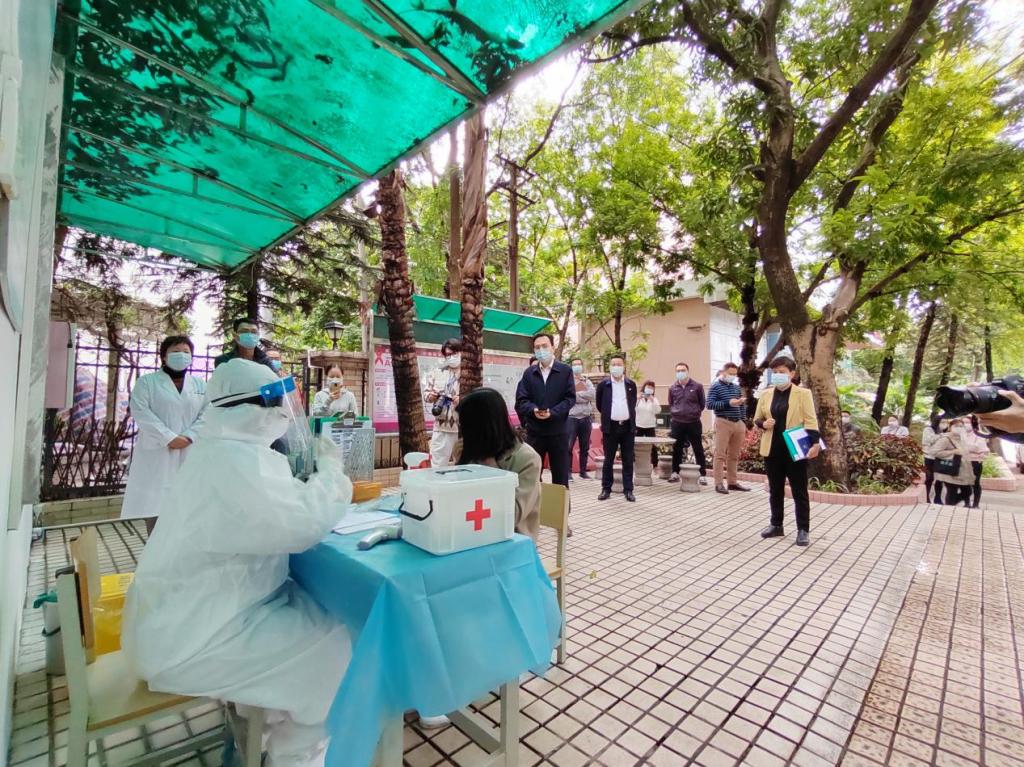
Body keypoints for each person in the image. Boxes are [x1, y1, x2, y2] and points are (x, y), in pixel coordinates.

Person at [122, 359, 354, 767]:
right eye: (275, 405)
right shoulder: (233, 462)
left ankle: (263, 720)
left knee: (321, 618)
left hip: (205, 613)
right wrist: (332, 472)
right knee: (335, 650)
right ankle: (294, 756)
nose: (283, 414)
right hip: (193, 636)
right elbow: (303, 522)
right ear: (249, 409)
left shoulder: (227, 452)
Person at [121, 335, 206, 534]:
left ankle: (183, 548)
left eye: (186, 352)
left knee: (188, 505)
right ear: (164, 357)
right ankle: (155, 548)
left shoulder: (200, 385)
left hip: (190, 449)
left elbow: (208, 413)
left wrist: (189, 436)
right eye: (175, 351)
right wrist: (169, 438)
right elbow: (140, 411)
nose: (181, 355)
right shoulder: (147, 382)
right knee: (156, 507)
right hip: (158, 451)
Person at [457, 387, 542, 539]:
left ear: (481, 428)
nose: (462, 432)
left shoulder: (527, 460)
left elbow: (511, 515)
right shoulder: (466, 449)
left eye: (465, 427)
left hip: (512, 540)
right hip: (470, 534)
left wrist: (488, 466)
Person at [754, 357, 819, 547]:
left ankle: (803, 530)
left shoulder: (803, 394)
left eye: (782, 372)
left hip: (795, 448)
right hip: (772, 449)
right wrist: (763, 424)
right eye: (775, 372)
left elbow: (810, 420)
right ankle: (776, 524)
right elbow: (757, 418)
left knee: (799, 491)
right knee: (775, 489)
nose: (778, 375)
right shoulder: (766, 394)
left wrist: (815, 443)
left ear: (792, 373)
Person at [514, 333, 576, 487]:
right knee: (532, 477)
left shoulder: (565, 371)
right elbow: (521, 400)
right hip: (535, 433)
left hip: (558, 432)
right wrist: (533, 410)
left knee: (560, 480)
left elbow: (570, 399)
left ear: (553, 348)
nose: (541, 350)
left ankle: (562, 504)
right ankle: (535, 503)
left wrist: (553, 413)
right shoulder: (529, 373)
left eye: (544, 346)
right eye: (537, 347)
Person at [595, 355, 638, 502]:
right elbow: (600, 405)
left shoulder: (631, 384)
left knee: (628, 459)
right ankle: (606, 489)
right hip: (610, 427)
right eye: (613, 364)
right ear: (609, 367)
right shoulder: (604, 385)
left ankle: (628, 490)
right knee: (609, 459)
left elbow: (632, 403)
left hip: (627, 427)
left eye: (619, 364)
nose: (616, 367)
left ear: (624, 366)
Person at [707, 363, 749, 494]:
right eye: (730, 373)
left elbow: (741, 405)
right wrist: (728, 403)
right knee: (720, 454)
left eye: (735, 374)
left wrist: (743, 421)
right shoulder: (715, 386)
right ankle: (718, 483)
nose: (733, 376)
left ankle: (732, 482)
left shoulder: (736, 387)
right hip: (723, 421)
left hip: (738, 423)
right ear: (723, 372)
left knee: (734, 455)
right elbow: (709, 404)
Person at [668, 362, 708, 484]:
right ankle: (675, 473)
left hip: (693, 422)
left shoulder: (697, 386)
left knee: (698, 448)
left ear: (687, 371)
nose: (680, 372)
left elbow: (702, 404)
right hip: (677, 422)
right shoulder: (672, 388)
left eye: (683, 370)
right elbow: (671, 403)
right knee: (677, 448)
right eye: (678, 371)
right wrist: (676, 412)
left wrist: (693, 412)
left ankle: (702, 474)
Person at [424, 339, 462, 467]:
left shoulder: (468, 372)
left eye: (454, 353)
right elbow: (426, 394)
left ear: (460, 352)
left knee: (463, 465)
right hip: (441, 426)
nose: (451, 357)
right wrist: (431, 396)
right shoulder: (437, 370)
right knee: (437, 465)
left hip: (462, 427)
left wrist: (462, 399)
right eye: (447, 355)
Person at [930, 417, 976, 506]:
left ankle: (949, 506)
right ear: (950, 427)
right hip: (950, 470)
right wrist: (953, 452)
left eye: (961, 426)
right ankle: (949, 508)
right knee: (952, 492)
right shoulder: (946, 439)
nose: (959, 428)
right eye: (956, 426)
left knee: (968, 491)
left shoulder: (962, 439)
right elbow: (934, 452)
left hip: (962, 471)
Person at [567, 358, 596, 479]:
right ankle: (568, 472)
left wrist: (576, 395)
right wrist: (583, 396)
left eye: (579, 364)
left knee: (585, 446)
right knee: (568, 446)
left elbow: (592, 395)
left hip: (586, 418)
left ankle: (583, 471)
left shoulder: (587, 381)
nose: (577, 366)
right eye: (574, 364)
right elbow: (568, 396)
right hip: (571, 418)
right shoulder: (567, 381)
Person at [635, 379, 661, 474]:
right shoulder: (639, 398)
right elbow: (632, 409)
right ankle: (634, 463)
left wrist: (652, 401)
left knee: (653, 446)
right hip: (638, 425)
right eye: (648, 386)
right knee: (635, 445)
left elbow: (657, 410)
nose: (649, 388)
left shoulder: (654, 399)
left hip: (650, 426)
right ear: (644, 387)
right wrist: (637, 399)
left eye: (651, 387)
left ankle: (655, 465)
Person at [965, 416, 990, 508]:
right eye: (964, 423)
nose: (965, 425)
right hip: (964, 461)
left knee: (975, 483)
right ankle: (967, 502)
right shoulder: (962, 434)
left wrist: (966, 447)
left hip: (975, 462)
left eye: (967, 423)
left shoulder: (979, 434)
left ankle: (976, 504)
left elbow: (979, 448)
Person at [921, 415, 944, 504]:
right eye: (942, 422)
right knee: (929, 478)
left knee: (939, 479)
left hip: (940, 457)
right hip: (929, 457)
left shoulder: (943, 431)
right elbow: (928, 440)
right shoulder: (928, 430)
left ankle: (937, 498)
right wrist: (941, 435)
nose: (944, 424)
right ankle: (926, 497)